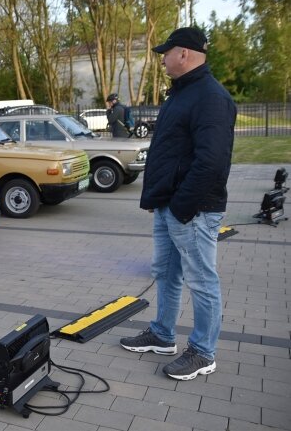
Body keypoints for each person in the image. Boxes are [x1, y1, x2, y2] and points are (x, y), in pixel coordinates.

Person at [119, 27, 236, 381]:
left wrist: (183, 206)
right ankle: (162, 334)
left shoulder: (210, 97)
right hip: (171, 206)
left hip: (193, 211)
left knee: (202, 280)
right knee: (166, 275)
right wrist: (162, 200)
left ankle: (203, 352)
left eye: (166, 53)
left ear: (183, 54)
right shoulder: (182, 93)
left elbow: (212, 162)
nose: (163, 59)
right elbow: (172, 152)